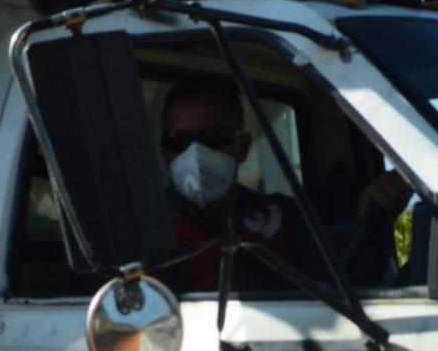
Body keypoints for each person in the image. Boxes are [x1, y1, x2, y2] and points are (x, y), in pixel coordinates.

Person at [159, 77, 408, 295]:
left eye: (213, 137)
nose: (195, 153)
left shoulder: (282, 217)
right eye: (178, 140)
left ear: (243, 146)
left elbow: (347, 286)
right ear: (164, 153)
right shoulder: (144, 228)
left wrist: (380, 213)